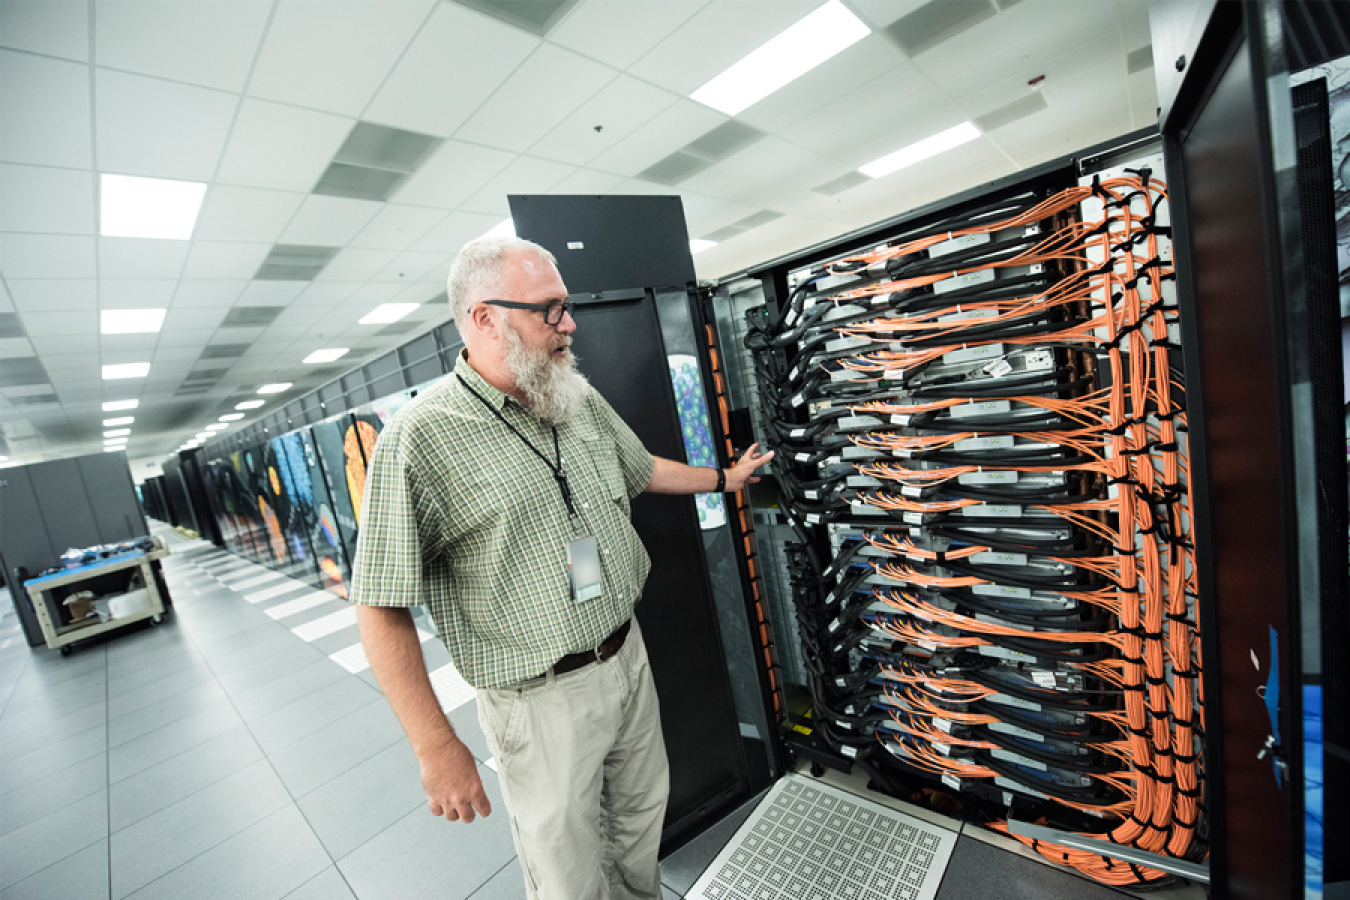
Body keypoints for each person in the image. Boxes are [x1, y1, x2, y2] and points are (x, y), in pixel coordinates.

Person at [350, 235, 773, 900]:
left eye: (566, 306)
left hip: (626, 656)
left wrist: (724, 478)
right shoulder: (419, 439)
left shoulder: (570, 394)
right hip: (538, 700)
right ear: (485, 317)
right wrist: (436, 747)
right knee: (567, 875)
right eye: (550, 310)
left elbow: (641, 469)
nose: (569, 323)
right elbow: (377, 602)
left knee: (638, 832)